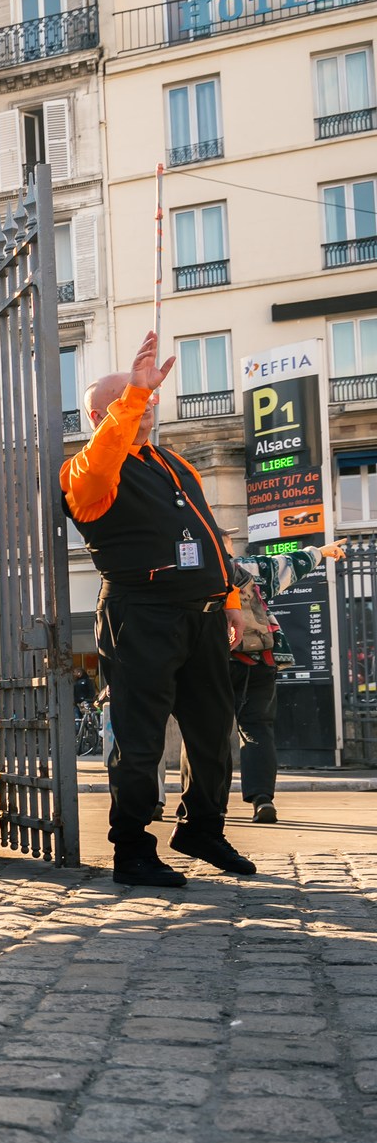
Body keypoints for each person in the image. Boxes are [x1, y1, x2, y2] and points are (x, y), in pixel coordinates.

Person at [61, 330, 251, 886]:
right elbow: (103, 460)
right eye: (130, 401)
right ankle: (133, 850)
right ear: (101, 415)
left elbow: (211, 536)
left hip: (204, 614)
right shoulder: (86, 471)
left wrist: (231, 600)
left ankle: (202, 829)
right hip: (139, 613)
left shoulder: (175, 464)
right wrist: (134, 394)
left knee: (214, 730)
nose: (145, 410)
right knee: (140, 739)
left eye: (147, 400)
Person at [214, 536, 346, 823]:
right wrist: (320, 552)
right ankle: (262, 799)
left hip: (213, 665)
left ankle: (211, 804)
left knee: (210, 734)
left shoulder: (192, 575)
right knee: (257, 729)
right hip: (259, 660)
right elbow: (285, 564)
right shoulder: (247, 568)